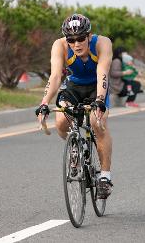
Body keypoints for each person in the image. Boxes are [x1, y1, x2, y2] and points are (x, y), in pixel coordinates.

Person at [35, 13, 113, 199]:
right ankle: (75, 144)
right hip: (74, 86)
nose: (76, 44)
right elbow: (55, 77)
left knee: (96, 122)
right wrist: (44, 103)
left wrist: (100, 100)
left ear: (89, 36)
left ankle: (104, 177)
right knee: (61, 121)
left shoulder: (102, 43)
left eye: (80, 39)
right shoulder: (59, 45)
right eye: (71, 39)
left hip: (96, 86)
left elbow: (102, 73)